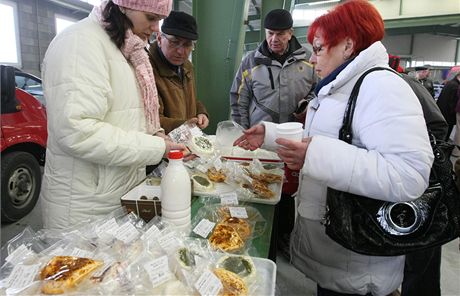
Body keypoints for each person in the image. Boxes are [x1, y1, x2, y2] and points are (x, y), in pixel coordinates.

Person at [234, 1, 433, 295]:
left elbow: (409, 175)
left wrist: (313, 155)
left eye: (318, 48)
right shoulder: (341, 86)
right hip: (337, 254)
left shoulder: (381, 88)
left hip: (358, 261)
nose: (312, 59)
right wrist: (271, 134)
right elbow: (331, 137)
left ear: (348, 45)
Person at [40, 0, 186, 230]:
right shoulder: (80, 44)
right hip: (85, 207)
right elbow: (77, 131)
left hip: (117, 194)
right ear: (123, 6)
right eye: (151, 18)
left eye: (160, 19)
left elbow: (127, 117)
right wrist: (157, 148)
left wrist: (158, 137)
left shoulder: (128, 48)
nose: (156, 28)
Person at [229, 8, 317, 260]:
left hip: (293, 143)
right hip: (260, 143)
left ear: (291, 33)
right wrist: (242, 134)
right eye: (270, 34)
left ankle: (285, 238)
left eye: (280, 34)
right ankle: (257, 238)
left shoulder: (308, 61)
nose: (274, 39)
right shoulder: (250, 61)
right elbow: (238, 99)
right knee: (256, 189)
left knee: (287, 193)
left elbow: (319, 93)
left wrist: (306, 105)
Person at [149, 11, 209, 134]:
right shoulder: (147, 70)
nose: (181, 51)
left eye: (187, 45)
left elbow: (188, 99)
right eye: (174, 42)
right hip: (164, 147)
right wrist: (184, 125)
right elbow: (150, 120)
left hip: (187, 140)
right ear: (160, 38)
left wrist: (200, 112)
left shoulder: (187, 66)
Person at [437, 70, 460, 142]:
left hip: (441, 111)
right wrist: (454, 114)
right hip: (448, 114)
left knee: (441, 133)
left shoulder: (450, 83)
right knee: (446, 135)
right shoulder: (456, 86)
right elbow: (452, 103)